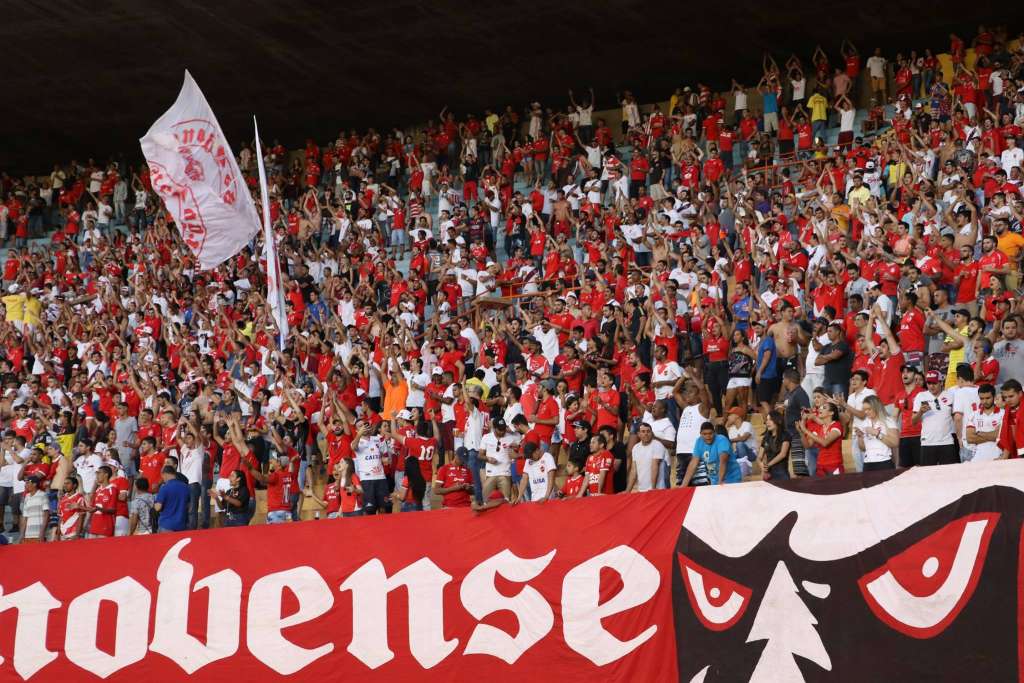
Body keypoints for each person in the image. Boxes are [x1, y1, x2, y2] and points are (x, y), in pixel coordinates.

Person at [914, 370, 957, 465]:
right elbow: (913, 421)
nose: (931, 386)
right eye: (929, 383)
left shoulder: (950, 395)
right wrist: (920, 412)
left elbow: (955, 418)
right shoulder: (921, 396)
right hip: (927, 443)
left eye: (934, 383)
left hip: (947, 442)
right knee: (928, 476)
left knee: (949, 475)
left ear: (941, 382)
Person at [682, 422, 741, 486]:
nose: (708, 436)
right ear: (700, 434)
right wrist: (683, 485)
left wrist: (720, 481)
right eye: (705, 434)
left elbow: (723, 461)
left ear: (714, 432)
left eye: (710, 433)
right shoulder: (699, 442)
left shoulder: (722, 440)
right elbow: (693, 464)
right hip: (714, 480)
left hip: (732, 478)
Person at [856, 396, 899, 471]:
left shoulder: (888, 421)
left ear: (876, 407)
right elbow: (863, 448)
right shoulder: (864, 423)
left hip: (884, 462)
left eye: (869, 409)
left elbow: (895, 443)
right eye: (864, 409)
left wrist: (877, 434)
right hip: (868, 463)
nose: (866, 412)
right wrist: (860, 437)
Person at [966, 384, 1004, 462]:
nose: (984, 401)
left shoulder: (1003, 413)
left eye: (988, 398)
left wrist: (979, 433)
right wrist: (993, 435)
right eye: (981, 398)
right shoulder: (973, 415)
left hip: (998, 457)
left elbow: (1000, 435)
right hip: (977, 459)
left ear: (994, 397)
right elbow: (970, 438)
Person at [627, 422, 666, 493]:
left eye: (648, 431)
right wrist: (627, 491)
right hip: (641, 490)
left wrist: (653, 489)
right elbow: (633, 471)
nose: (646, 434)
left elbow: (655, 467)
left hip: (657, 490)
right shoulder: (635, 448)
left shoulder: (657, 445)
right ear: (638, 434)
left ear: (652, 433)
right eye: (643, 431)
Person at [154, 465, 189, 532]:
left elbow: (158, 507)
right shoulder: (185, 487)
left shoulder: (164, 487)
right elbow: (188, 504)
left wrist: (154, 503)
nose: (162, 478)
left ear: (165, 474)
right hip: (181, 525)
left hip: (166, 525)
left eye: (162, 476)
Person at [758, 411, 791, 480]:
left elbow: (783, 454)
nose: (767, 422)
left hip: (781, 472)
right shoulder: (766, 437)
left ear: (778, 421)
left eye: (770, 420)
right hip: (768, 472)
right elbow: (759, 457)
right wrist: (761, 465)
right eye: (767, 420)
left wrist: (768, 465)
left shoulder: (785, 435)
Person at [17, 474, 48, 543]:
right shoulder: (27, 497)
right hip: (27, 536)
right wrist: (22, 535)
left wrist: (42, 532)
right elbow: (25, 517)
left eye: (28, 483)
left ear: (34, 484)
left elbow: (46, 515)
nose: (25, 485)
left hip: (39, 535)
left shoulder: (43, 495)